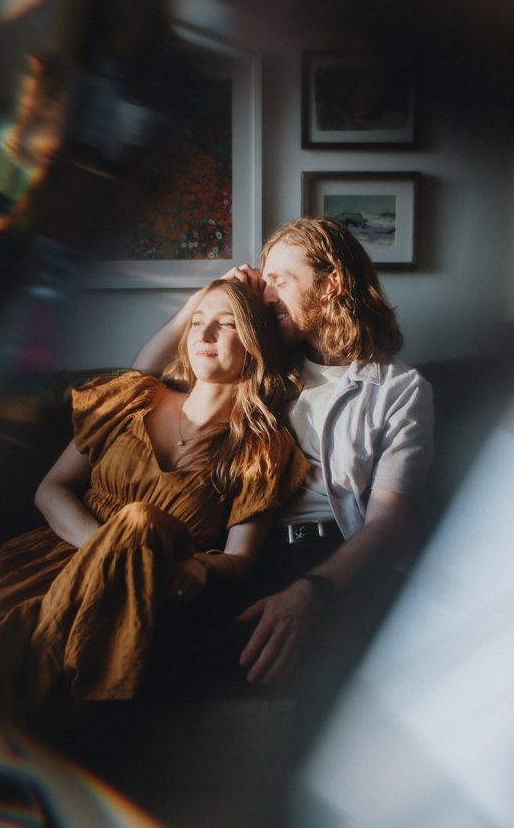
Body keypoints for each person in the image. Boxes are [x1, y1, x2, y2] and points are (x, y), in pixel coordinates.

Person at [0, 279, 307, 724]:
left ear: (254, 342)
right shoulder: (133, 398)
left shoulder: (261, 447)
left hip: (143, 581)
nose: (204, 335)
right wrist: (105, 548)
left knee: (140, 523)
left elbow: (241, 558)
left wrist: (201, 565)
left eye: (225, 324)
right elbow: (50, 489)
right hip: (54, 556)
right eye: (197, 321)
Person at [133, 217, 434, 687]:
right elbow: (143, 378)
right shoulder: (260, 365)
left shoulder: (400, 390)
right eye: (265, 282)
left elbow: (388, 522)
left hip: (337, 555)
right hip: (245, 549)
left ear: (331, 283)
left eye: (280, 280)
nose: (267, 294)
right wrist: (209, 297)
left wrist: (310, 591)